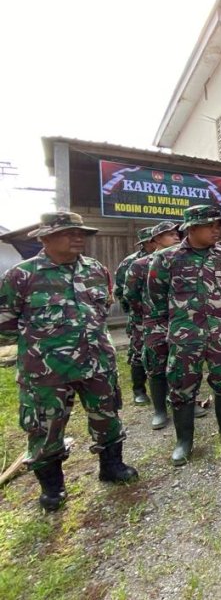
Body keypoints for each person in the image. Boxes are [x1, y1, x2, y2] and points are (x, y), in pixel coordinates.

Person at [0, 212, 138, 510]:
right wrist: (46, 343)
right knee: (45, 427)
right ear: (45, 237)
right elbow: (6, 323)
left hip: (97, 362)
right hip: (47, 369)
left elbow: (103, 307)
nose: (78, 237)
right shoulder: (22, 275)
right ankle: (53, 489)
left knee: (107, 416)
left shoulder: (96, 270)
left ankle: (111, 467)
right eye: (68, 232)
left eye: (81, 232)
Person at [148, 205, 221, 466]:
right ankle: (184, 441)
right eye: (210, 225)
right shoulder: (166, 258)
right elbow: (156, 300)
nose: (217, 230)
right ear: (191, 228)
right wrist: (165, 333)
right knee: (182, 388)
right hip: (185, 337)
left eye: (219, 225)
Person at [124, 221, 181, 429]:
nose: (176, 237)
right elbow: (130, 295)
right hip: (155, 321)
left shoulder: (183, 260)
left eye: (177, 233)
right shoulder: (140, 265)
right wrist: (148, 313)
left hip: (182, 320)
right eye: (169, 234)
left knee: (183, 364)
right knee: (156, 366)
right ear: (155, 240)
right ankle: (159, 410)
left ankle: (182, 403)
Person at [115, 227, 156, 405]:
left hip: (163, 316)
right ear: (146, 242)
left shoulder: (169, 258)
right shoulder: (131, 262)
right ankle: (139, 390)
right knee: (138, 351)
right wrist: (135, 311)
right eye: (153, 240)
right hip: (139, 316)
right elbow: (122, 292)